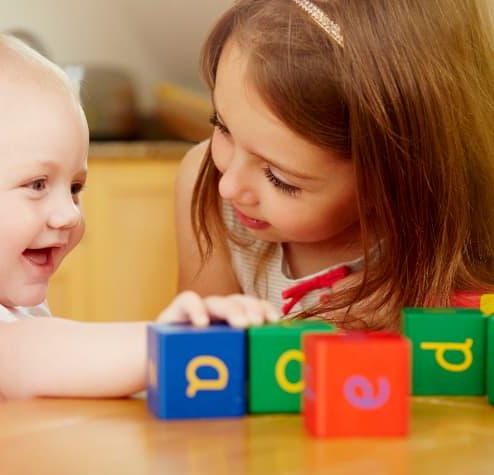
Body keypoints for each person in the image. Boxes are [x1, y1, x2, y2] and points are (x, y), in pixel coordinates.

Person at [0, 29, 279, 426]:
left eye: (75, 187)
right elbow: (12, 361)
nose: (70, 215)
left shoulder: (4, 306)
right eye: (37, 184)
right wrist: (164, 343)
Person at [175, 0, 494, 331]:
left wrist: (406, 329)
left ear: (391, 179)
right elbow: (198, 358)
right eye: (222, 126)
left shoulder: (457, 241)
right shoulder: (208, 186)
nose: (229, 186)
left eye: (280, 179)